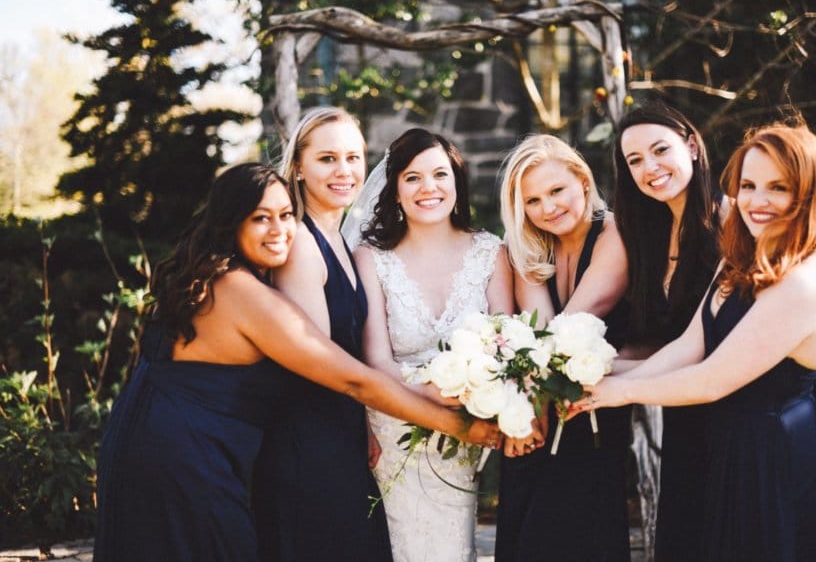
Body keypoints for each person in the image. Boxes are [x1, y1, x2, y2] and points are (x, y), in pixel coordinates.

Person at [94, 163, 499, 562]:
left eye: (287, 215)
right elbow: (355, 381)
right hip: (184, 460)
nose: (279, 230)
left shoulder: (209, 275)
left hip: (148, 437)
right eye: (261, 218)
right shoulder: (242, 292)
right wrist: (461, 426)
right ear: (230, 222)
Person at [574, 121, 816, 561]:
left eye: (778, 188)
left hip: (774, 458)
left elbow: (711, 380)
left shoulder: (803, 284)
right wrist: (597, 373)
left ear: (807, 193)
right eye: (748, 185)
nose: (757, 202)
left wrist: (616, 392)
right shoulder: (741, 256)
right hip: (726, 445)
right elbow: (691, 345)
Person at [347, 128, 515, 562]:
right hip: (394, 429)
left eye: (440, 174)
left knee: (454, 543)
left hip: (464, 436)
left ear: (456, 183)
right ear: (395, 190)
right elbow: (376, 361)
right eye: (413, 178)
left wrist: (476, 394)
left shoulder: (490, 253)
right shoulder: (371, 256)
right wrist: (435, 393)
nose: (429, 188)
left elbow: (507, 342)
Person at [252, 107, 391, 560]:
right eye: (328, 158)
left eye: (354, 157)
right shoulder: (301, 247)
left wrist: (366, 424)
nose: (345, 171)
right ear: (298, 167)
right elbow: (319, 365)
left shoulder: (340, 239)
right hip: (306, 443)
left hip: (338, 430)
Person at [494, 134, 632, 562]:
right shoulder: (529, 246)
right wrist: (523, 415)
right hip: (538, 422)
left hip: (592, 418)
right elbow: (535, 335)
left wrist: (531, 404)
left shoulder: (615, 235)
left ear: (583, 183)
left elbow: (571, 329)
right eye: (532, 201)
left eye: (557, 191)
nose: (548, 208)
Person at [613, 101, 725, 561]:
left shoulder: (731, 222)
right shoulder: (651, 233)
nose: (649, 168)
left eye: (660, 150)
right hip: (683, 416)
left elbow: (711, 342)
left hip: (729, 414)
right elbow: (662, 340)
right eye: (634, 161)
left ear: (693, 146)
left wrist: (614, 383)